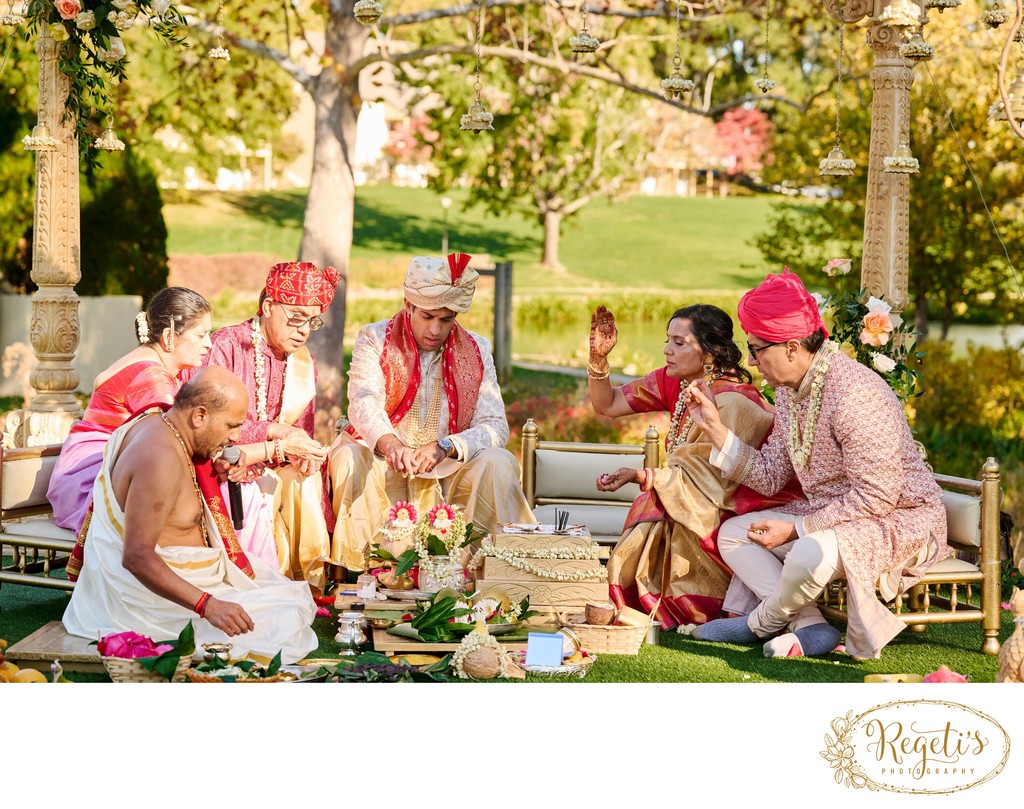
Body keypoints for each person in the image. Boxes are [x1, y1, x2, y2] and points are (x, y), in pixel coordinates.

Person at [682, 268, 948, 660]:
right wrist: (717, 430)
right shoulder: (793, 390)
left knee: (808, 551)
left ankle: (758, 624)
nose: (753, 363)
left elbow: (878, 496)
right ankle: (810, 627)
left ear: (791, 347)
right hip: (836, 514)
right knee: (736, 533)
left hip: (900, 518)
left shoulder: (855, 394)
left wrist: (798, 527)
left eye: (757, 350)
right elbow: (771, 477)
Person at [62, 367, 318, 664]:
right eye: (231, 426)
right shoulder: (159, 458)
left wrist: (216, 474)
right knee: (283, 620)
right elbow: (136, 557)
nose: (235, 437)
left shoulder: (166, 424)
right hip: (148, 601)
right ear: (199, 416)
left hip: (194, 572)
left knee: (289, 599)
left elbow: (179, 497)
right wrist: (208, 605)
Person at [589, 304, 799, 630]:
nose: (666, 350)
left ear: (711, 353)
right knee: (658, 497)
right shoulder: (677, 381)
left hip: (731, 507)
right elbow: (608, 404)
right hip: (692, 496)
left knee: (654, 498)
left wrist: (644, 476)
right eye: (667, 340)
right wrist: (599, 360)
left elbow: (713, 481)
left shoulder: (733, 400)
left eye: (679, 342)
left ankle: (692, 602)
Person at [327, 253, 535, 579]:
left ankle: (485, 571)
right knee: (350, 457)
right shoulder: (375, 338)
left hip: (449, 472)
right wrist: (392, 445)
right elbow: (363, 401)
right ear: (408, 304)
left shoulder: (476, 349)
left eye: (447, 319)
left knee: (499, 461)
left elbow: (495, 426)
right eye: (428, 316)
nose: (436, 329)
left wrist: (446, 446)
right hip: (387, 466)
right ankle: (365, 574)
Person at [48, 288, 214, 581]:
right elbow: (175, 440)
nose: (209, 344)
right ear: (169, 337)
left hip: (100, 461)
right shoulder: (150, 375)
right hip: (88, 473)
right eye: (201, 335)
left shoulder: (160, 364)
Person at [200, 261, 339, 593]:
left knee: (308, 478)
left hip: (276, 467)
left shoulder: (304, 363)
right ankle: (266, 583)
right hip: (226, 465)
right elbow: (211, 427)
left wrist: (306, 456)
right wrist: (275, 433)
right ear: (267, 307)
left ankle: (307, 584)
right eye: (295, 317)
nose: (304, 329)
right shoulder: (227, 346)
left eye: (312, 320)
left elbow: (300, 432)